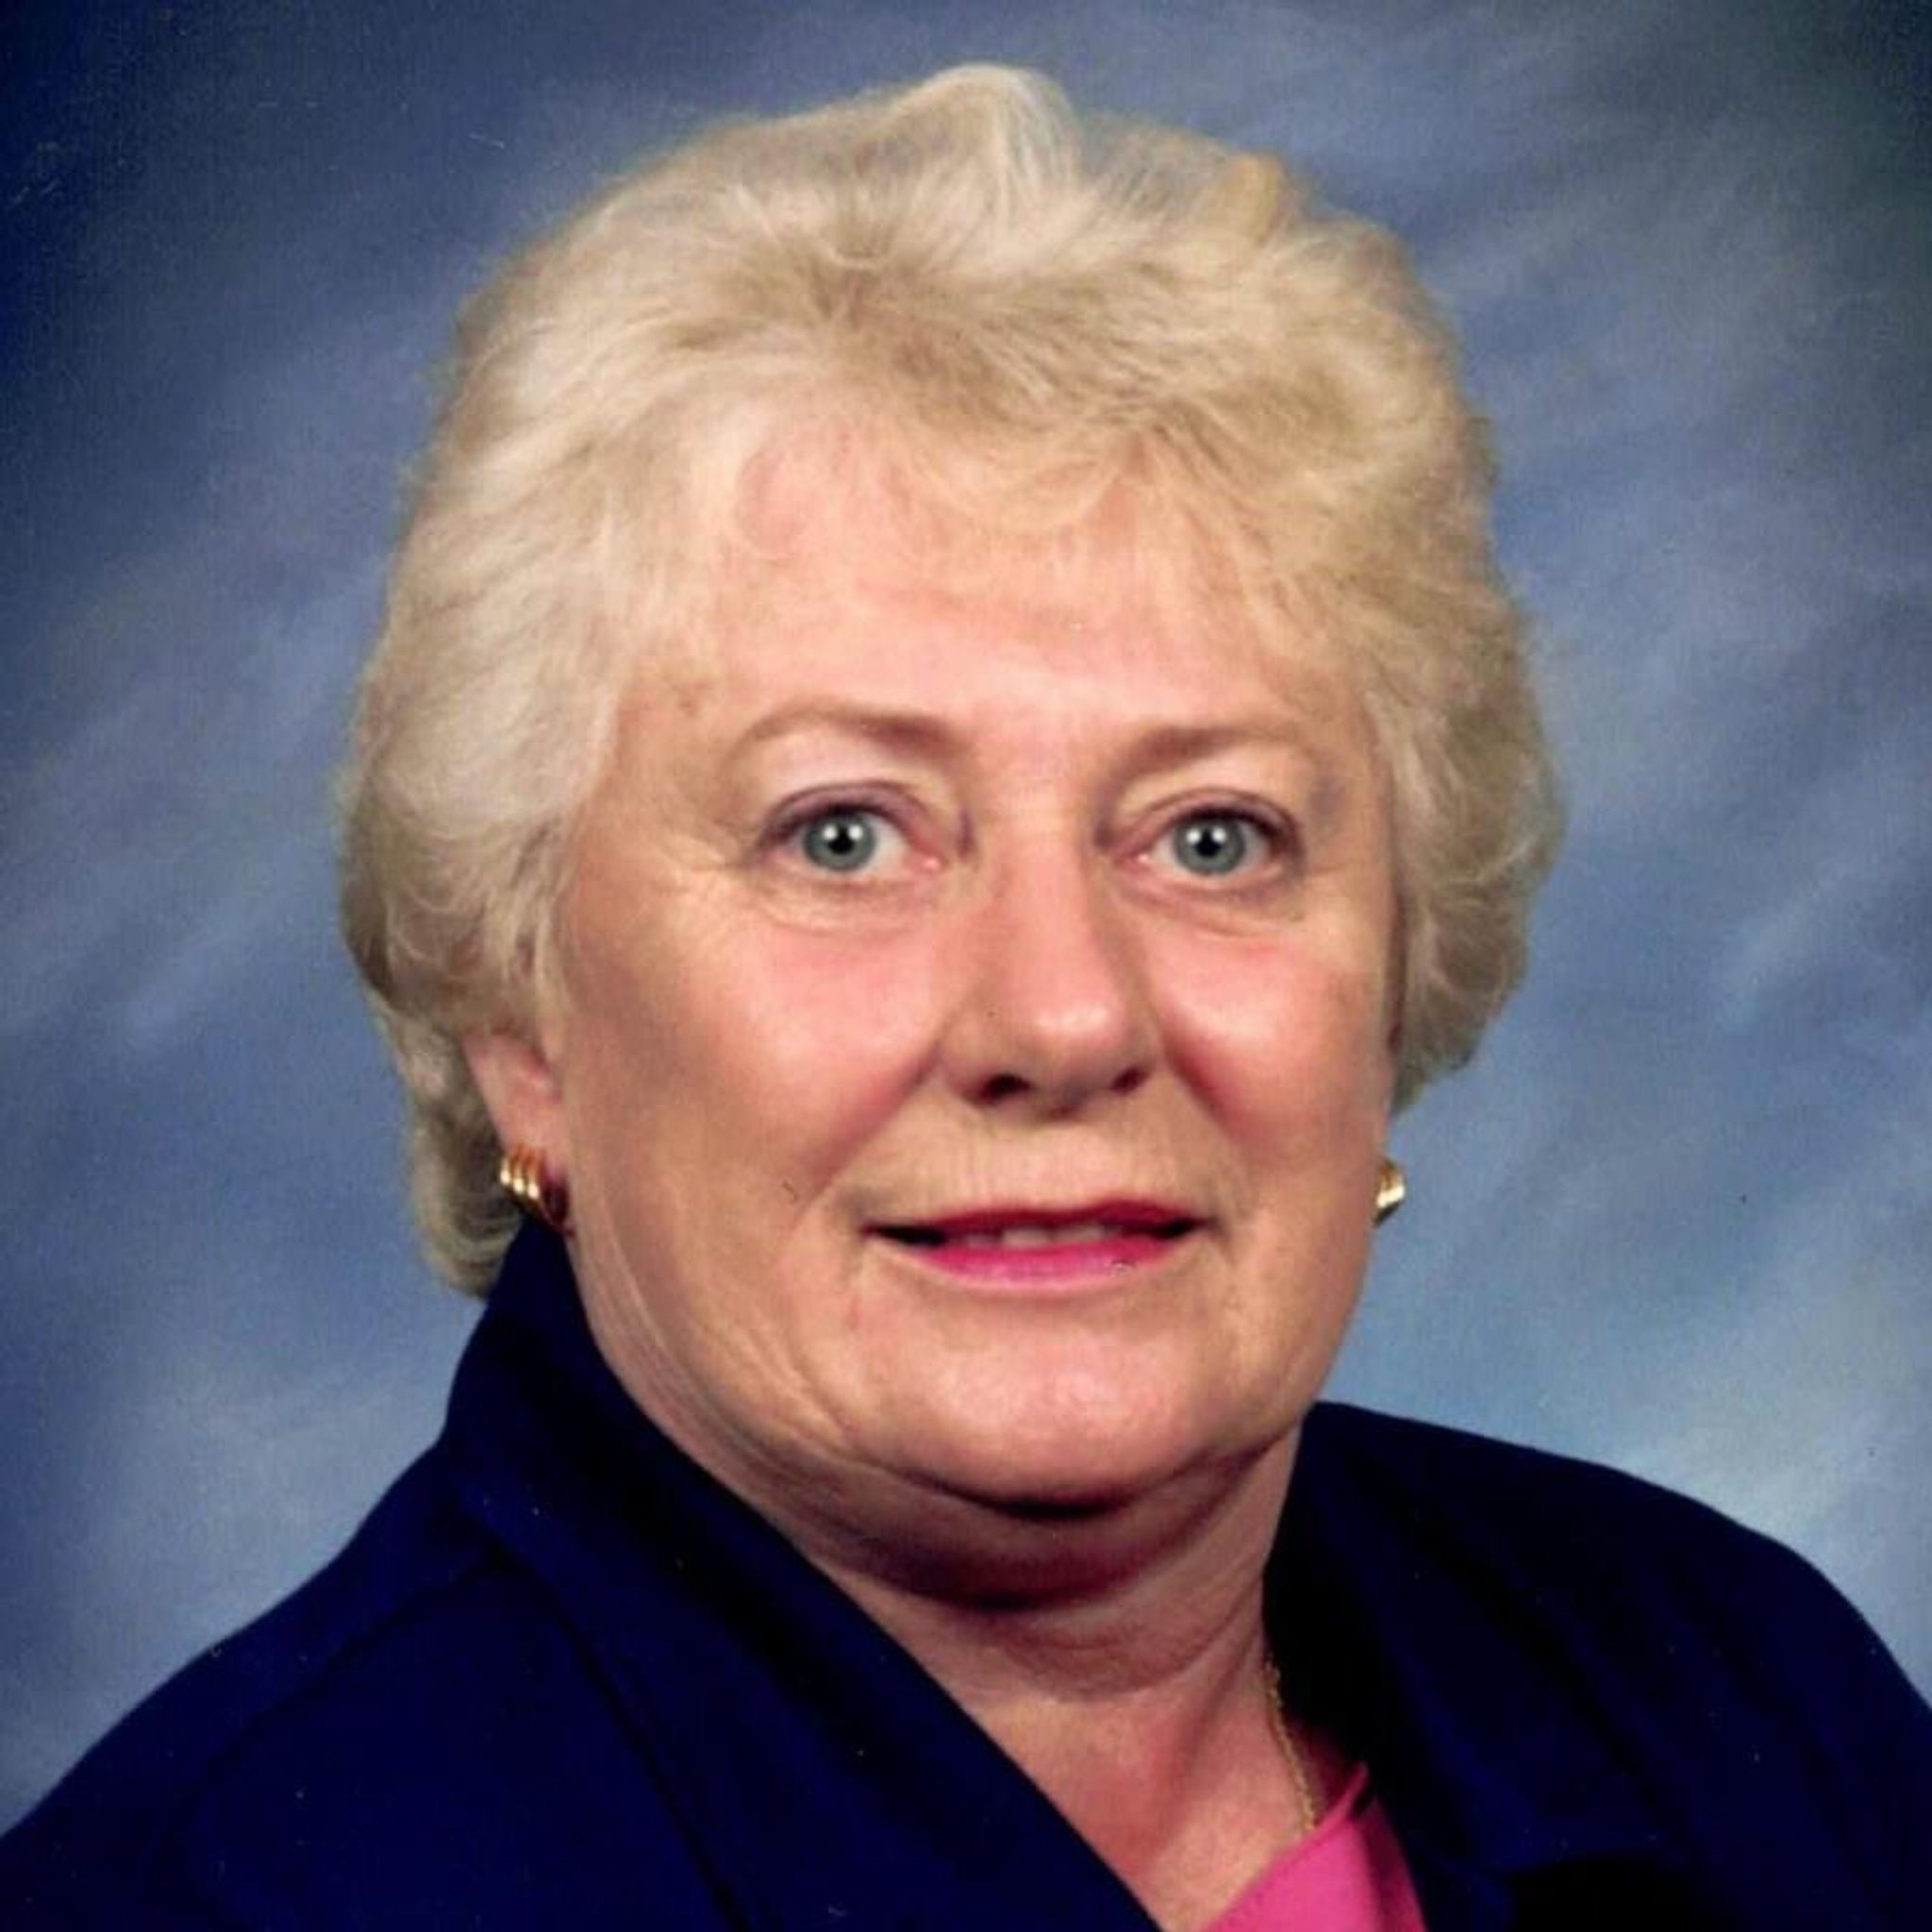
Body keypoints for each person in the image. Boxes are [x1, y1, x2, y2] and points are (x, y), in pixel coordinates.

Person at [3, 62, 1927, 1932]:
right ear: (523, 1025)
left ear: (1397, 969)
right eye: (844, 836)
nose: (1065, 1019)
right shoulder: (230, 1898)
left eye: (1211, 837)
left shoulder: (1740, 1698)